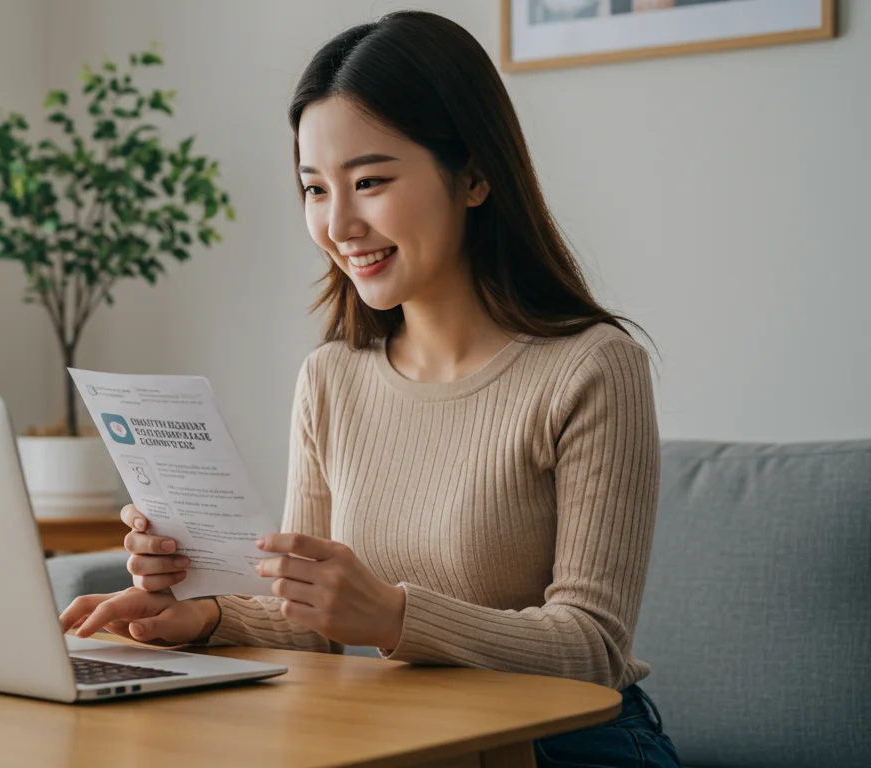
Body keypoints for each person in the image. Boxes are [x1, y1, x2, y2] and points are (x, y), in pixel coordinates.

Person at [58, 10, 680, 767]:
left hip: (569, 745)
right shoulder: (332, 377)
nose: (339, 223)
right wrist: (203, 617)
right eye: (315, 189)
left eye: (370, 182)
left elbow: (594, 647)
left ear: (475, 176)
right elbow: (309, 622)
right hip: (410, 737)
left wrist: (392, 616)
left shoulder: (593, 367)